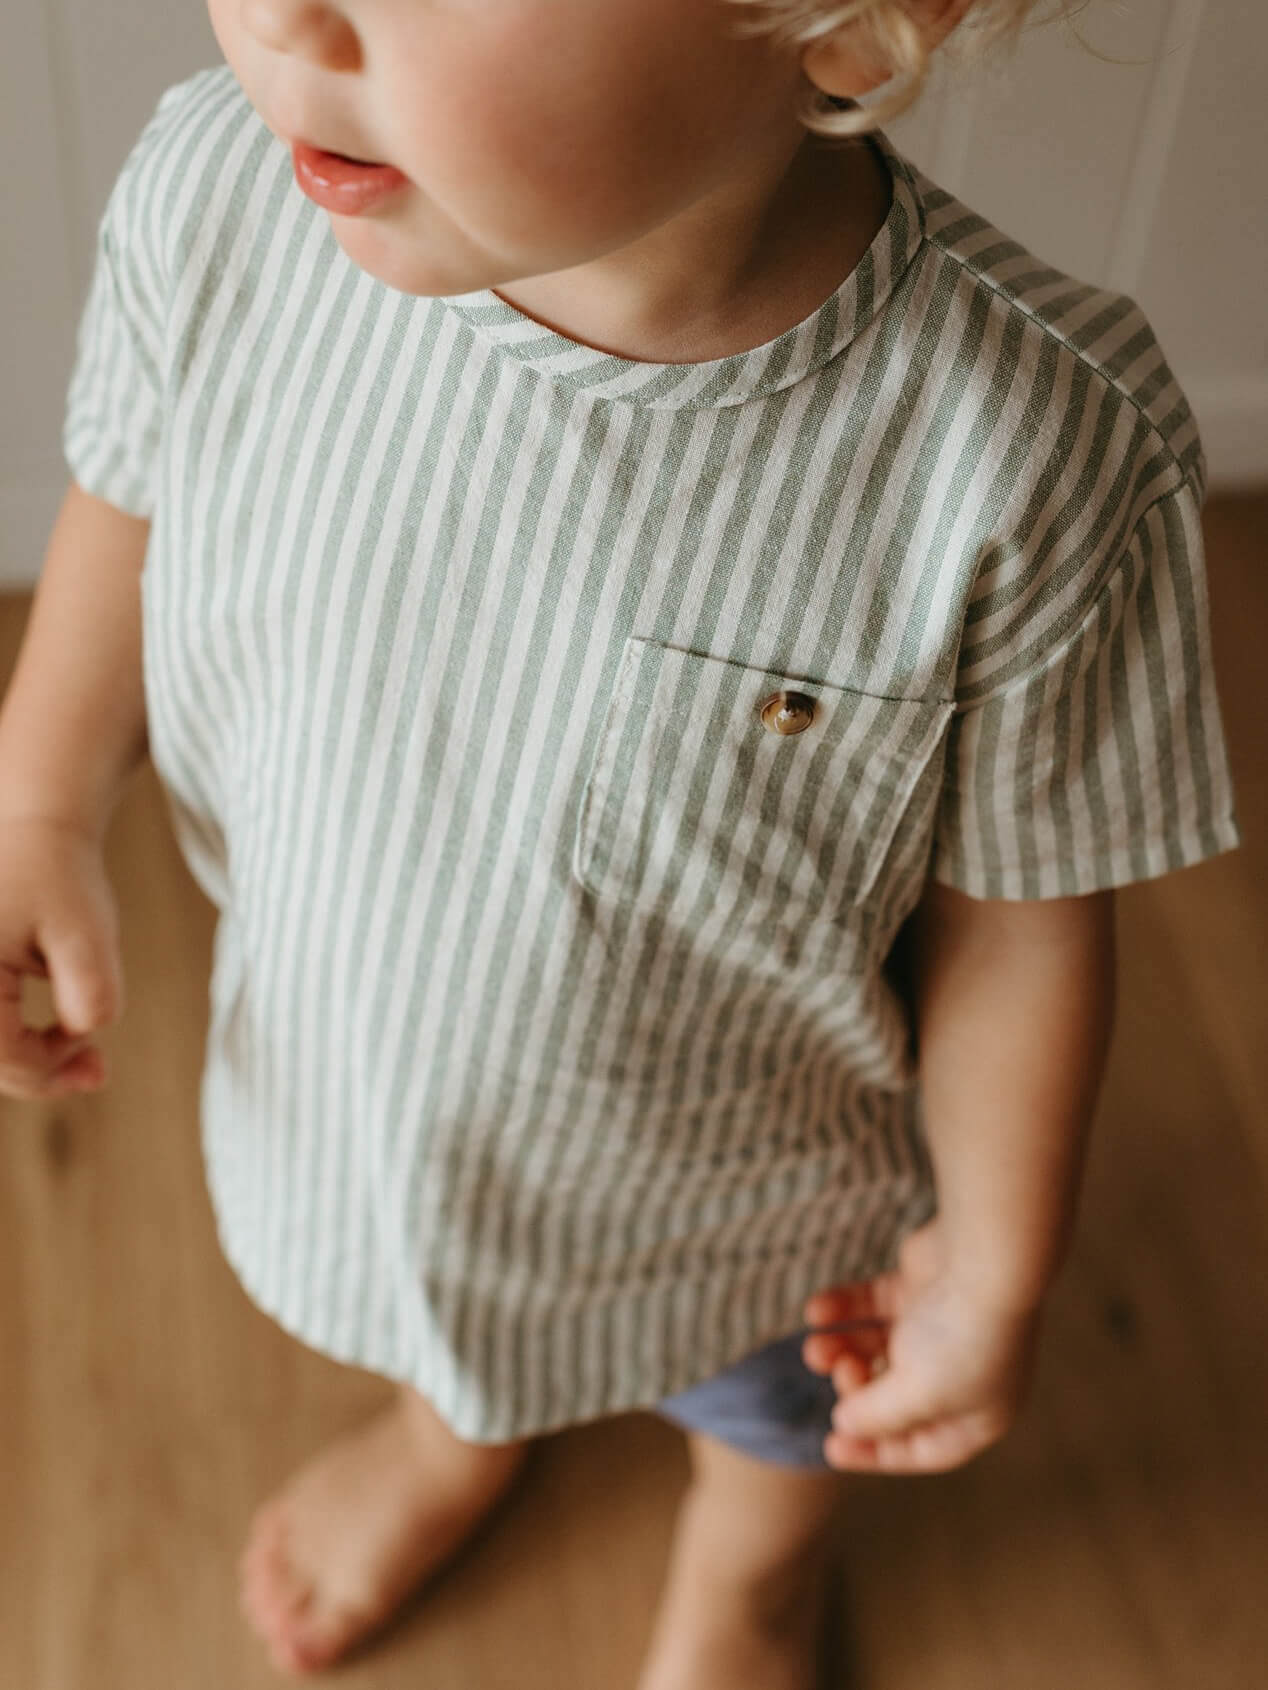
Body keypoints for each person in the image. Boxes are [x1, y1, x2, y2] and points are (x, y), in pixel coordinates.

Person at [0, 0, 1241, 1684]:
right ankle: (460, 1429)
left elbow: (1023, 919)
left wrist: (993, 1278)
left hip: (755, 1192)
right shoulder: (225, 197)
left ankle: (748, 1578)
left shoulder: (1017, 451)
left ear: (850, 31)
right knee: (440, 1285)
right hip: (375, 1068)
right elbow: (127, 497)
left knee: (778, 1403)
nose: (288, 15)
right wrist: (42, 799)